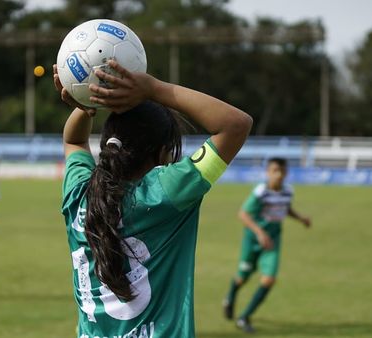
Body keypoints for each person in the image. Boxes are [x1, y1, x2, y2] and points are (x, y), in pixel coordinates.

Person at [55, 60, 253, 337]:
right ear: (163, 153)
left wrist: (85, 103)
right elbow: (236, 124)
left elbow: (74, 141)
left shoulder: (79, 194)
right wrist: (152, 87)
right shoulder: (167, 193)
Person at [223, 157, 312, 333]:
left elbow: (285, 208)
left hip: (273, 241)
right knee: (243, 277)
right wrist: (260, 232)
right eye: (275, 171)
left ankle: (244, 317)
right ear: (268, 172)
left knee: (269, 279)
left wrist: (301, 218)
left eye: (282, 171)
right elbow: (243, 214)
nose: (278, 175)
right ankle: (230, 297)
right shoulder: (261, 191)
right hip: (253, 241)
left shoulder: (287, 191)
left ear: (286, 173)